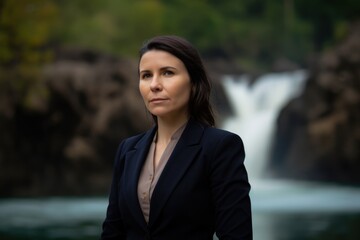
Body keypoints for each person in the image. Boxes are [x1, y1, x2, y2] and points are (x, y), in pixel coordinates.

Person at [100, 35, 252, 240]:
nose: (154, 85)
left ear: (193, 81)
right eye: (146, 75)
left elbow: (236, 236)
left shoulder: (219, 147)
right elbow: (112, 232)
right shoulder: (128, 149)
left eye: (167, 73)